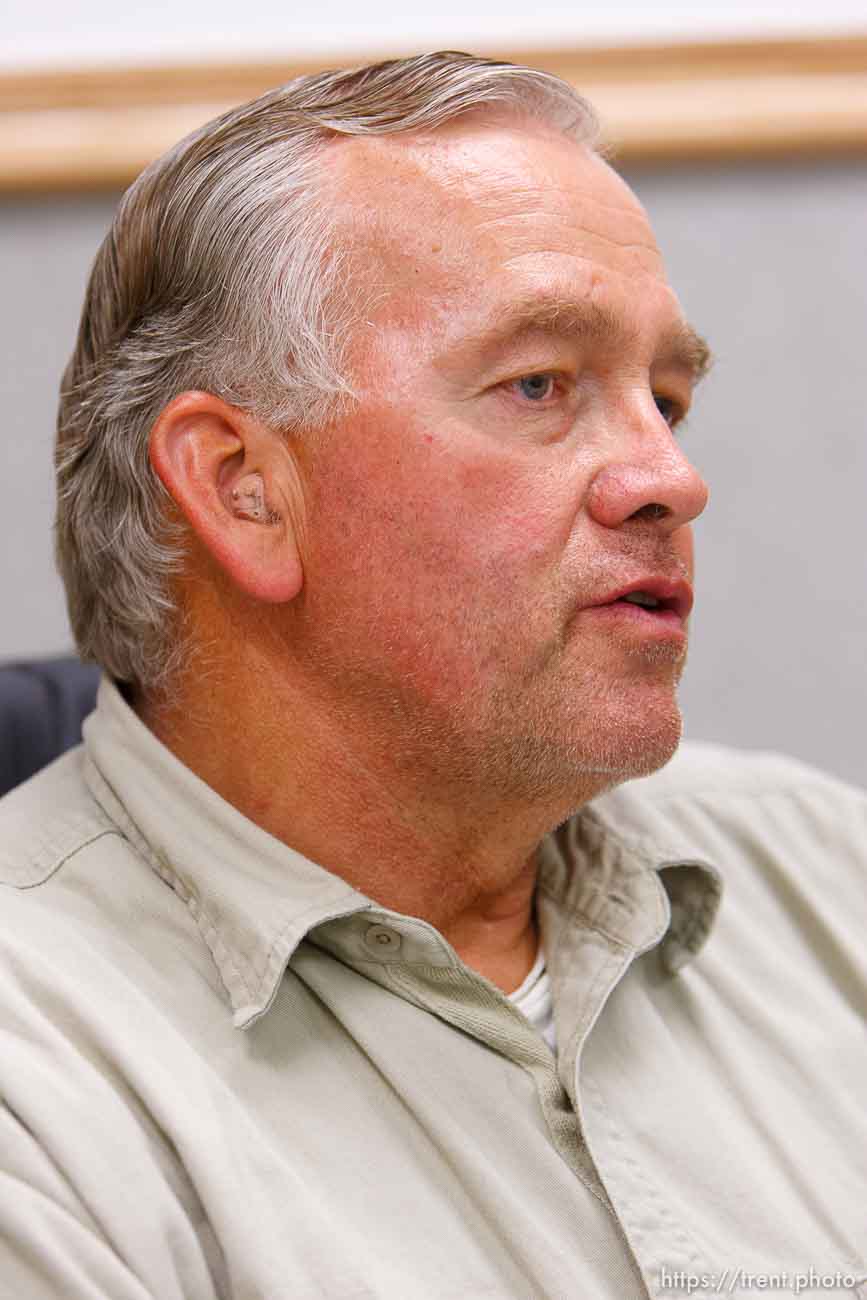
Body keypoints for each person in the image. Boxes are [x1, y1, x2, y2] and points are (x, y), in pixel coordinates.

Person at [1, 50, 864, 1300]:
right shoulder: (43, 1083)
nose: (670, 478)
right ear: (245, 491)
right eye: (539, 385)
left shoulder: (824, 874)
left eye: (667, 399)